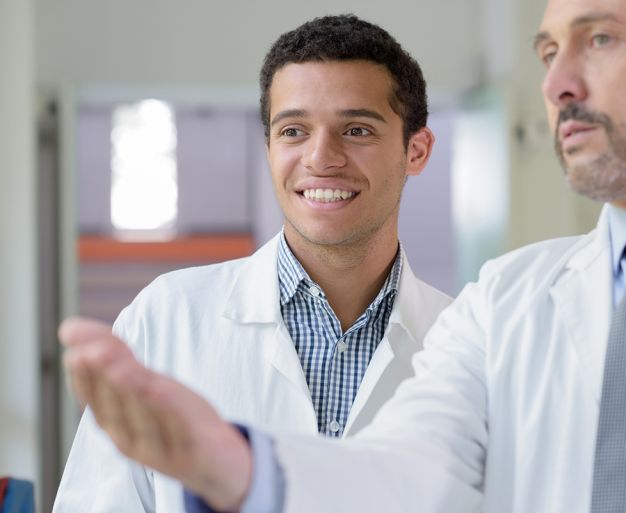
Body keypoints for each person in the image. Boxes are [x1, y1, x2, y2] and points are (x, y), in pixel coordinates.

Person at [59, 0, 626, 511]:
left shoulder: (463, 310)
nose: (555, 85)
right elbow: (408, 474)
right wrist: (241, 468)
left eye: (601, 39)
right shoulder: (504, 301)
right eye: (549, 52)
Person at [53, 15, 453, 513]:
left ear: (416, 150)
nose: (321, 157)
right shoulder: (168, 317)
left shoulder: (465, 342)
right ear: (268, 148)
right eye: (293, 130)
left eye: (356, 129)